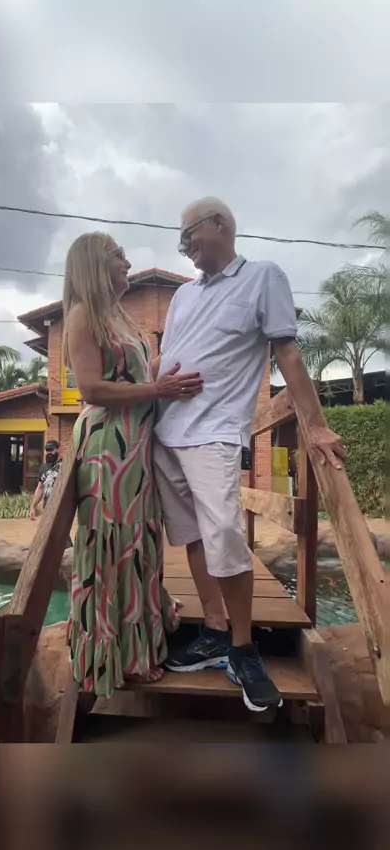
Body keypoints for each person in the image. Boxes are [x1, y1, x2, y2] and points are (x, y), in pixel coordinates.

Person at [153, 196, 346, 713]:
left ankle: (243, 647)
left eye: (188, 235)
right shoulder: (182, 296)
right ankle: (215, 630)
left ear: (218, 225)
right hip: (165, 431)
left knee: (224, 535)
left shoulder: (263, 277)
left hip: (214, 430)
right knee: (191, 536)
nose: (184, 247)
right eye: (180, 241)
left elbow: (288, 352)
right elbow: (166, 357)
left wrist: (316, 426)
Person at [62, 231, 203, 698]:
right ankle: (116, 655)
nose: (127, 262)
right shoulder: (83, 314)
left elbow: (138, 372)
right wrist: (158, 390)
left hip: (136, 446)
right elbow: (91, 389)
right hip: (108, 446)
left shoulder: (119, 316)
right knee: (114, 544)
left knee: (138, 541)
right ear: (95, 264)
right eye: (118, 256)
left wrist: (174, 361)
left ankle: (139, 634)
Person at [29, 439, 73, 548]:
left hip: (61, 508)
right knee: (49, 536)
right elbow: (40, 488)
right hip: (47, 509)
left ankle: (69, 554)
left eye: (51, 450)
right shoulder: (43, 468)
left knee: (62, 535)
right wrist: (33, 506)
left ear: (58, 450)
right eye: (47, 450)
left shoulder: (65, 466)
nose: (49, 453)